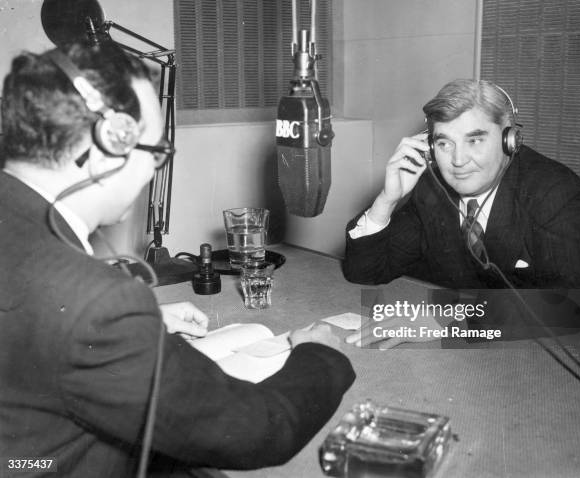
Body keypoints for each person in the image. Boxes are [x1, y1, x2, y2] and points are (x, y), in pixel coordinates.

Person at [0, 43, 354, 477]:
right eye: (156, 153)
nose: (153, 172)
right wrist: (320, 353)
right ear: (112, 141)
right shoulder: (95, 303)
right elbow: (255, 432)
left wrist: (123, 331)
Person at [343, 79, 580, 346]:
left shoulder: (553, 190)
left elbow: (574, 305)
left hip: (531, 355)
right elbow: (366, 273)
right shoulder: (431, 188)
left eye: (475, 140)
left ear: (510, 140)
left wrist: (448, 322)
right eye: (444, 144)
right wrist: (387, 200)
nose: (458, 161)